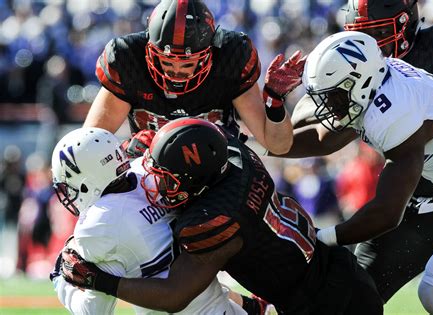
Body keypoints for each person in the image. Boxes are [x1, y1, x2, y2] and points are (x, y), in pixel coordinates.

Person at [58, 118, 384, 315]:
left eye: (169, 180)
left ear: (198, 183)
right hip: (332, 270)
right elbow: (196, 136)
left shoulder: (212, 220)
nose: (157, 185)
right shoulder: (233, 156)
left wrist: (99, 280)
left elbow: (176, 295)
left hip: (325, 305)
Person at [284, 0, 433, 303]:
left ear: (402, 23)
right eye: (359, 35)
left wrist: (322, 237)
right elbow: (317, 125)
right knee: (353, 298)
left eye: (376, 33)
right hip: (417, 203)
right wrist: (269, 123)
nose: (368, 44)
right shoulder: (366, 70)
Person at [49, 127, 263, 315]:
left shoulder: (99, 224)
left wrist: (60, 277)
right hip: (223, 304)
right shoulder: (149, 170)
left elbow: (95, 311)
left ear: (87, 181)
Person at [84, 0, 305, 155]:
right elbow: (87, 145)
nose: (176, 70)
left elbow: (278, 145)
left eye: (187, 63)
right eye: (168, 61)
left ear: (209, 53)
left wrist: (274, 101)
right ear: (149, 51)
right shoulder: (128, 59)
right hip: (150, 176)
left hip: (219, 176)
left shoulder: (231, 57)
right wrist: (124, 152)